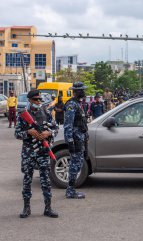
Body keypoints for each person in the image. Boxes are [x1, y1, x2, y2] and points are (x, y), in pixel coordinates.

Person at [14, 90, 59, 218]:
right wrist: (28, 132)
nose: (38, 102)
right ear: (29, 100)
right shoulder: (23, 115)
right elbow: (17, 134)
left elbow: (55, 128)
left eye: (39, 99)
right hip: (28, 152)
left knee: (46, 180)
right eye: (35, 100)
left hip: (43, 151)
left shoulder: (46, 112)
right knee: (27, 180)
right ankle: (26, 208)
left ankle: (48, 208)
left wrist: (48, 133)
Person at [64, 82, 89, 199]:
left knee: (79, 163)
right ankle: (70, 190)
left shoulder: (79, 104)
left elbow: (82, 122)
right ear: (75, 91)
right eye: (81, 90)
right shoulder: (71, 105)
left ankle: (71, 189)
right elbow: (68, 124)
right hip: (75, 138)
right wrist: (70, 141)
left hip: (81, 137)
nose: (83, 92)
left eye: (83, 90)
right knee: (75, 164)